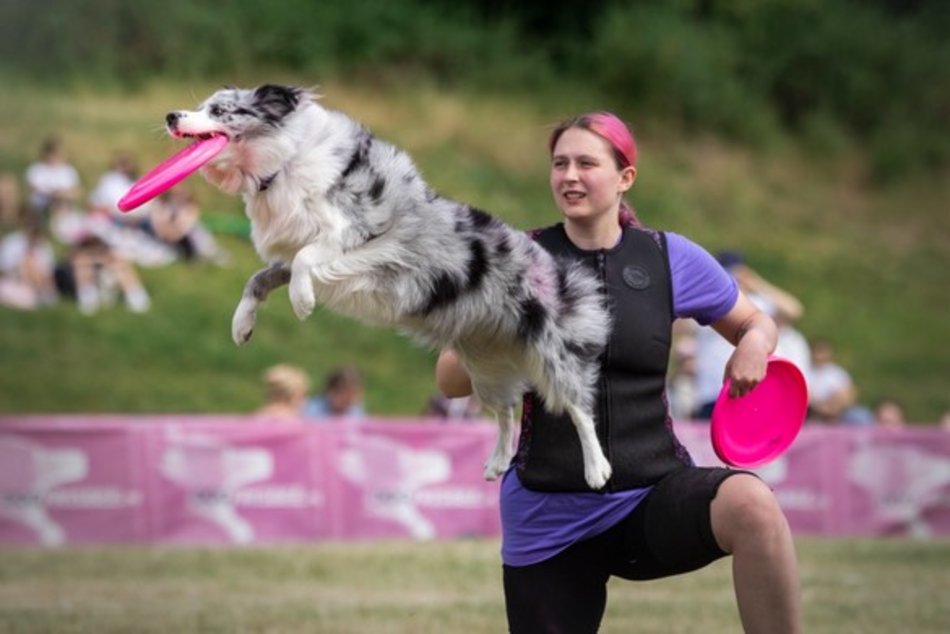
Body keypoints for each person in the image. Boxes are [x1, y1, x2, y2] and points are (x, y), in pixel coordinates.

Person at [435, 112, 800, 633]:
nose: (569, 176)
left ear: (625, 176)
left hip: (650, 496)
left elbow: (755, 323)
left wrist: (755, 347)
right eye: (560, 164)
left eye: (587, 163)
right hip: (549, 517)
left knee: (753, 506)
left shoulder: (669, 258)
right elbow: (449, 381)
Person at [693, 250, 805, 419]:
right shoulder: (707, 301)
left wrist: (757, 284)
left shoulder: (758, 304)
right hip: (712, 393)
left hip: (754, 390)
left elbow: (793, 310)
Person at [53, 235, 151, 314]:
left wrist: (100, 259)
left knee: (120, 267)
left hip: (103, 281)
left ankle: (136, 297)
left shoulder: (106, 248)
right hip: (76, 284)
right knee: (83, 266)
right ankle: (88, 301)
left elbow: (116, 258)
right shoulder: (77, 255)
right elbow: (72, 260)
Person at [808, 338, 872, 424]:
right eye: (819, 352)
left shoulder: (838, 373)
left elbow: (851, 394)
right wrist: (820, 407)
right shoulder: (806, 372)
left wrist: (836, 406)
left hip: (840, 411)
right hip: (813, 411)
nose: (821, 356)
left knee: (861, 416)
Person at [24, 136, 82, 223]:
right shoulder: (36, 169)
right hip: (42, 206)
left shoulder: (68, 170)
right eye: (52, 154)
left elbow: (76, 191)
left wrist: (62, 194)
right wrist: (52, 194)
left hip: (64, 204)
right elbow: (33, 188)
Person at [302, 366, 366, 420]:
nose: (349, 402)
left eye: (354, 396)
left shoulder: (355, 409)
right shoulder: (313, 409)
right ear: (330, 393)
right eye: (345, 397)